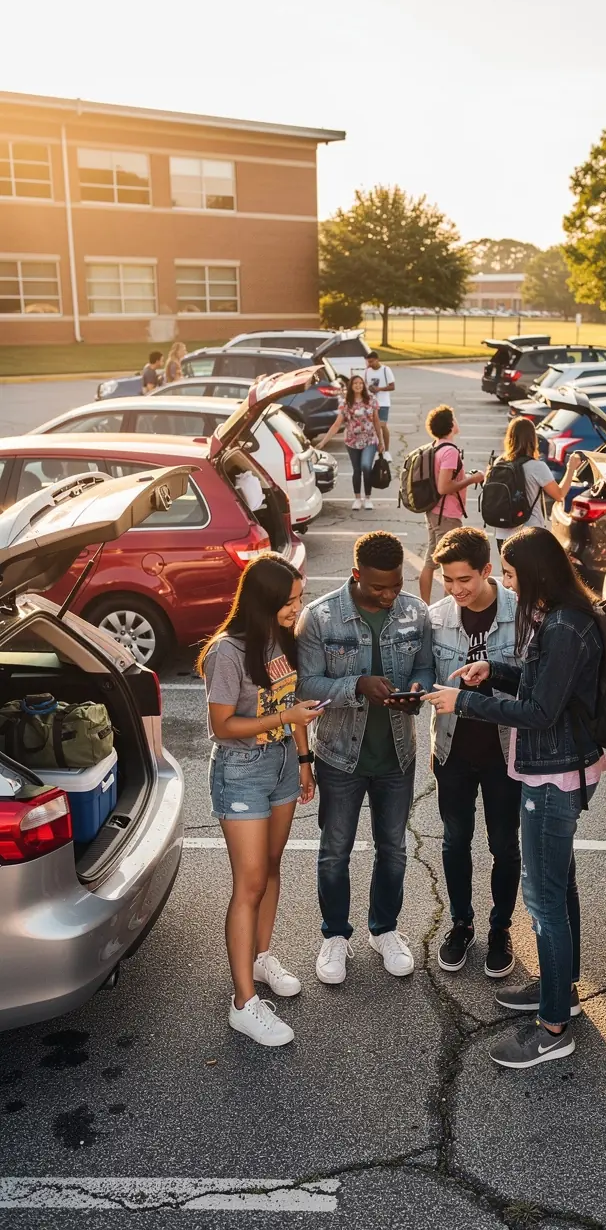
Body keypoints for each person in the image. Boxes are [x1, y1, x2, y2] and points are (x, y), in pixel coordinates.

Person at [423, 527, 606, 1070]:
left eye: (509, 575)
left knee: (545, 901)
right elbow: (541, 681)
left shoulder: (566, 625)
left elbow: (539, 713)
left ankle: (553, 1027)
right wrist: (497, 670)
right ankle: (561, 990)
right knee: (561, 885)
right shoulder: (561, 618)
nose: (505, 584)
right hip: (556, 767)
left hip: (554, 774)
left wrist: (466, 700)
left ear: (535, 576)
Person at [198, 554, 326, 1048]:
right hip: (241, 770)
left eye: (300, 599)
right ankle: (243, 1004)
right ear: (266, 601)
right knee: (248, 883)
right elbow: (222, 726)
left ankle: (261, 957)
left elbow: (290, 702)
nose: (299, 608)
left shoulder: (283, 640)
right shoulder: (226, 652)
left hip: (280, 767)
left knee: (272, 867)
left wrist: (304, 758)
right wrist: (285, 720)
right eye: (291, 602)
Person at [296, 532, 432, 986]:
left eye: (395, 585)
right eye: (379, 588)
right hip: (339, 756)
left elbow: (425, 668)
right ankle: (335, 935)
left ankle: (385, 930)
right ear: (356, 576)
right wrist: (355, 685)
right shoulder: (319, 617)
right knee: (335, 852)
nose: (390, 595)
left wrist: (416, 693)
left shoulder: (415, 612)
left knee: (392, 850)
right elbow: (305, 685)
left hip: (397, 754)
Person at [428, 526, 521, 978]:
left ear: (487, 570)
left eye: (464, 579)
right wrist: (415, 688)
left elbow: (531, 685)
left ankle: (500, 928)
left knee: (504, 844)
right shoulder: (437, 617)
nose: (456, 589)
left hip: (506, 752)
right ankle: (460, 924)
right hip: (452, 751)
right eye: (448, 579)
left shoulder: (521, 615)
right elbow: (424, 674)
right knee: (454, 840)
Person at [419, 404, 484, 605]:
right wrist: (472, 479)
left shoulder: (435, 446)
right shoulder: (450, 452)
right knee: (451, 563)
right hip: (446, 514)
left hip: (434, 511)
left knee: (431, 561)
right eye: (454, 418)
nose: (457, 422)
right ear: (449, 425)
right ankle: (447, 609)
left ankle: (426, 606)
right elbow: (444, 486)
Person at [492, 417, 580, 553]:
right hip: (529, 533)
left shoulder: (499, 463)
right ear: (532, 439)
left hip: (503, 534)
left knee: (510, 573)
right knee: (530, 574)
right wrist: (571, 468)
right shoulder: (536, 466)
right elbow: (559, 495)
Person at [318, 375, 384, 511]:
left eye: (361, 383)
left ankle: (368, 498)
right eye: (355, 383)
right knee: (357, 470)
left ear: (364, 385)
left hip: (369, 439)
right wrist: (323, 442)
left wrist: (381, 441)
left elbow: (377, 421)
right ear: (351, 386)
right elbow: (337, 424)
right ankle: (357, 498)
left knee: (366, 467)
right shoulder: (345, 403)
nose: (358, 385)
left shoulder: (371, 400)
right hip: (352, 441)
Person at [365, 351, 395, 453]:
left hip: (383, 402)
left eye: (372, 362)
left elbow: (392, 386)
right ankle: (376, 448)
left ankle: (386, 450)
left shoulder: (386, 370)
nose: (370, 364)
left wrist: (379, 389)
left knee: (382, 425)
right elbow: (365, 385)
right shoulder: (367, 371)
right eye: (368, 362)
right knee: (373, 426)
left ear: (377, 360)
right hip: (371, 403)